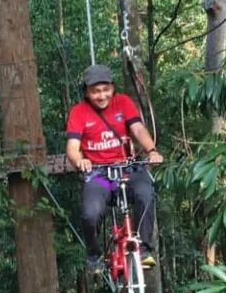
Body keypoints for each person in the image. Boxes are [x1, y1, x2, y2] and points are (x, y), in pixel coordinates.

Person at [65, 64, 162, 273]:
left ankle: (144, 249)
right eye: (96, 91)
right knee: (90, 213)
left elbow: (137, 128)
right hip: (99, 175)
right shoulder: (78, 112)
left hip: (126, 170)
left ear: (112, 88)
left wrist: (151, 150)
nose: (102, 96)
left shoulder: (123, 103)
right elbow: (72, 148)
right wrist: (80, 161)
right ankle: (94, 255)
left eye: (105, 89)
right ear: (87, 92)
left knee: (146, 193)